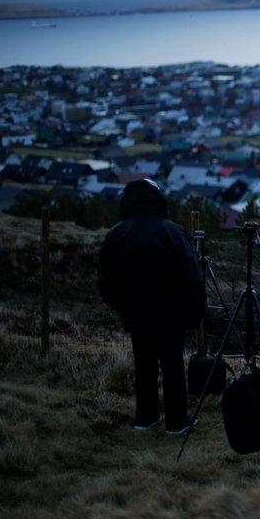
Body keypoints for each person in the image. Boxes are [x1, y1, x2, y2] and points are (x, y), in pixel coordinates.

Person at [98, 179, 205, 434]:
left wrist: (120, 305)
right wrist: (194, 311)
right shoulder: (172, 231)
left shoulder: (117, 234)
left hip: (135, 313)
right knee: (172, 365)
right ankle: (176, 421)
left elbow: (106, 277)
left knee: (143, 364)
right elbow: (191, 275)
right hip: (171, 313)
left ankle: (145, 417)